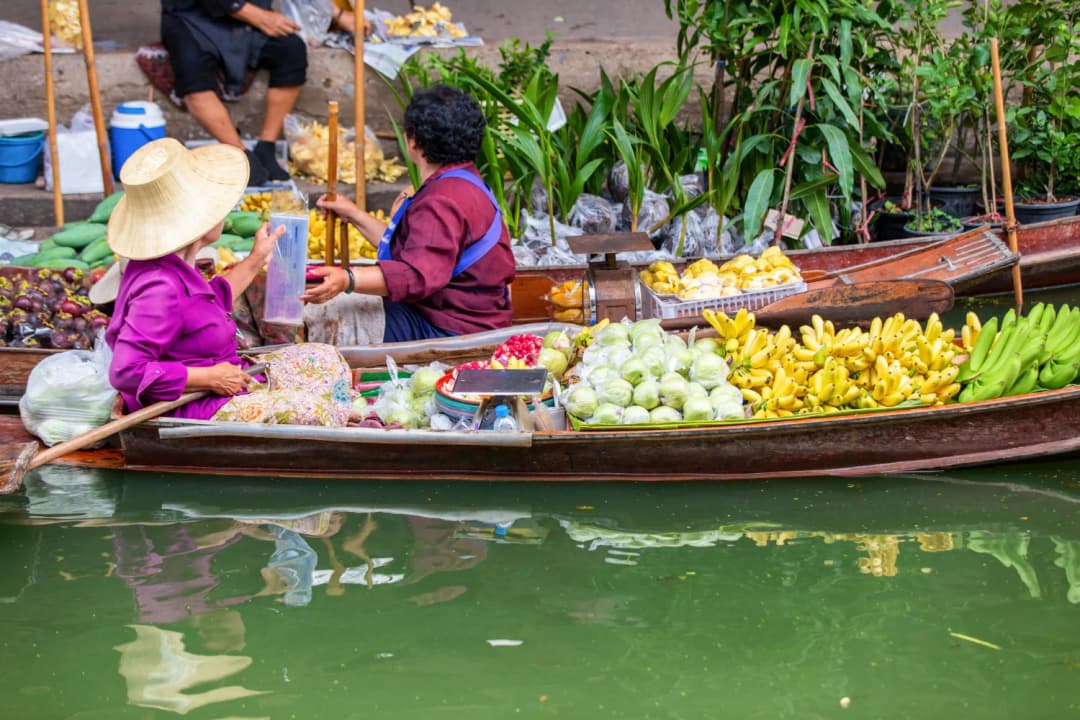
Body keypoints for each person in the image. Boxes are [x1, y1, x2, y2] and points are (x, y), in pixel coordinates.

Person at [105, 137, 353, 426]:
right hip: (188, 405)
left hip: (224, 379)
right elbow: (125, 372)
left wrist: (257, 258)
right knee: (314, 412)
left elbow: (207, 305)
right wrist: (209, 377)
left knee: (324, 358)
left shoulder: (178, 263)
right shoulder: (160, 288)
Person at [302, 84, 516, 342]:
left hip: (451, 328)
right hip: (462, 315)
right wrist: (354, 215)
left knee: (326, 312)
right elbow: (418, 249)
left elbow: (416, 275)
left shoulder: (441, 200)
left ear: (412, 140)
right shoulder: (463, 181)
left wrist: (348, 279)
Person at [160, 1, 302, 185]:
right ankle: (241, 155)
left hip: (248, 18)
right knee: (192, 71)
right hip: (190, 15)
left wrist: (334, 14)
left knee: (292, 50)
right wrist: (259, 17)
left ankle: (266, 147)